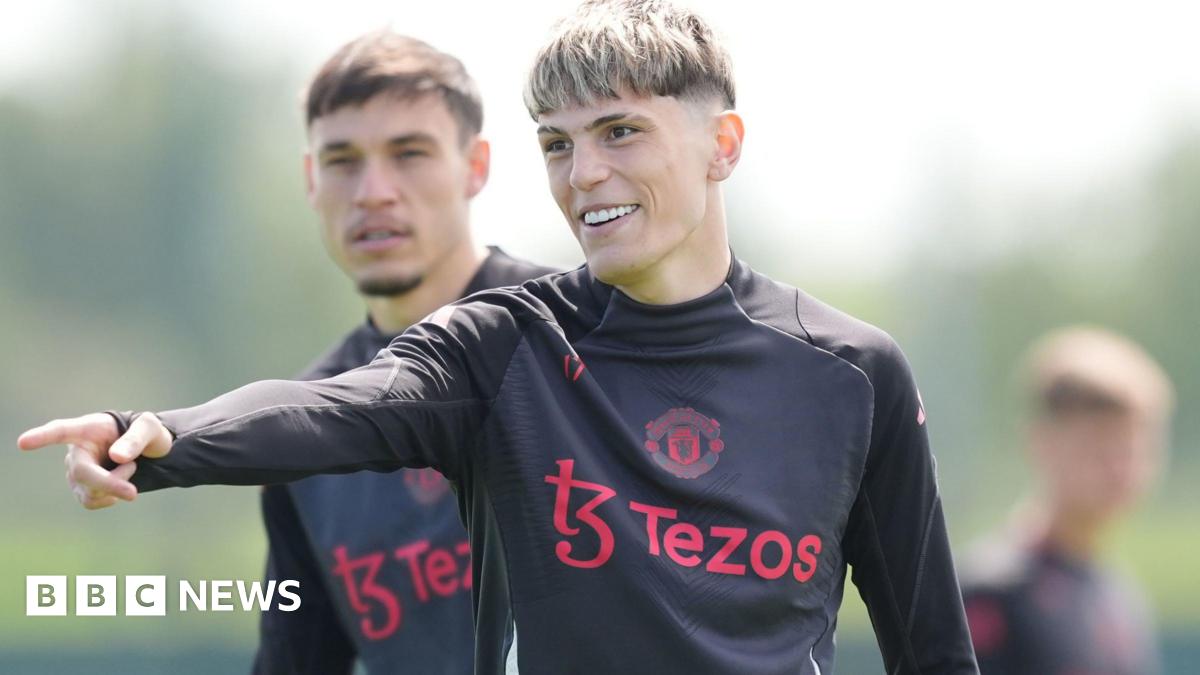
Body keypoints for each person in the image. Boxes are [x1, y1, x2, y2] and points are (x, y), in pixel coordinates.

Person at [19, 1, 979, 673]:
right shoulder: (504, 345)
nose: (583, 173)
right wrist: (162, 438)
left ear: (721, 145)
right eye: (558, 144)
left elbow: (933, 653)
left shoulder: (852, 372)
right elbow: (338, 402)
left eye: (620, 132)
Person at [253, 31, 558, 674]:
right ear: (311, 179)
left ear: (475, 166)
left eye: (409, 153)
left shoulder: (582, 339)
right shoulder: (304, 431)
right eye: (342, 160)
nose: (373, 191)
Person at [959, 327, 1172, 675]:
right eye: (1100, 446)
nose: (1120, 468)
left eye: (1133, 448)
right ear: (1040, 442)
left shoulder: (1119, 597)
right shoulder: (991, 591)